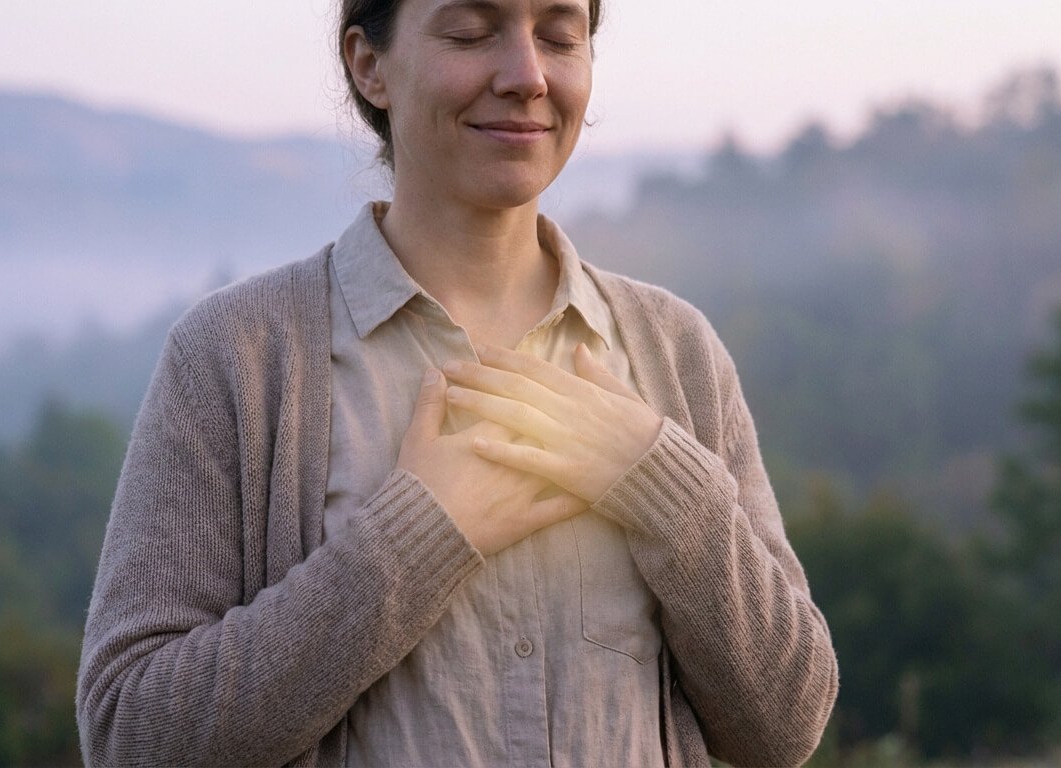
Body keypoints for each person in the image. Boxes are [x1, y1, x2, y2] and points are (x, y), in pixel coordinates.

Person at [76, 0, 839, 765]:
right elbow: (130, 734)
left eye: (560, 36)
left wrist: (661, 487)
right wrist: (414, 542)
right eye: (471, 33)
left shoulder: (676, 353)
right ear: (368, 65)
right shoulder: (237, 358)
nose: (527, 76)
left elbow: (784, 726)